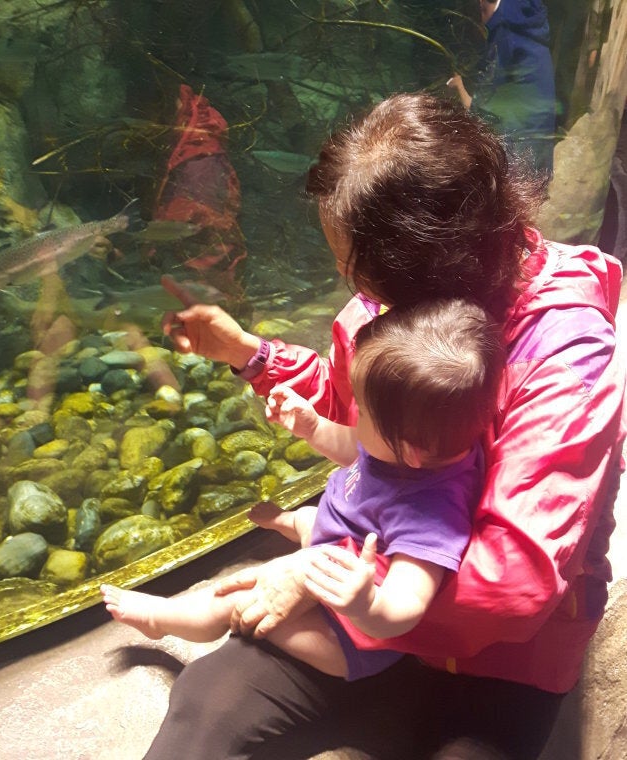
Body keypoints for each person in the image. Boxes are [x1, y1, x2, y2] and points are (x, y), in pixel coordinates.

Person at [143, 92, 624, 759]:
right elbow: (361, 412)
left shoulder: (563, 347)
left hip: (504, 656)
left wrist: (320, 573)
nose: (351, 281)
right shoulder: (393, 305)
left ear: (429, 266)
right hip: (365, 597)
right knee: (206, 708)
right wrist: (252, 356)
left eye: (354, 264)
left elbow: (512, 584)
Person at [102, 299, 504, 684]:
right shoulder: (411, 447)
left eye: (363, 413)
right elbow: (356, 449)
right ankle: (289, 523)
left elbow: (406, 605)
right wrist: (313, 428)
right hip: (338, 545)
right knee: (313, 517)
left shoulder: (433, 513)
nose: (355, 417)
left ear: (409, 452)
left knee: (239, 598)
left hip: (349, 639)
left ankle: (168, 620)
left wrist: (366, 603)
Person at [447, 0, 556, 175]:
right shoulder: (528, 18)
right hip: (541, 137)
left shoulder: (504, 35)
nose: (482, 22)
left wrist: (458, 86)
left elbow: (479, 111)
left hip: (520, 149)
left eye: (481, 11)